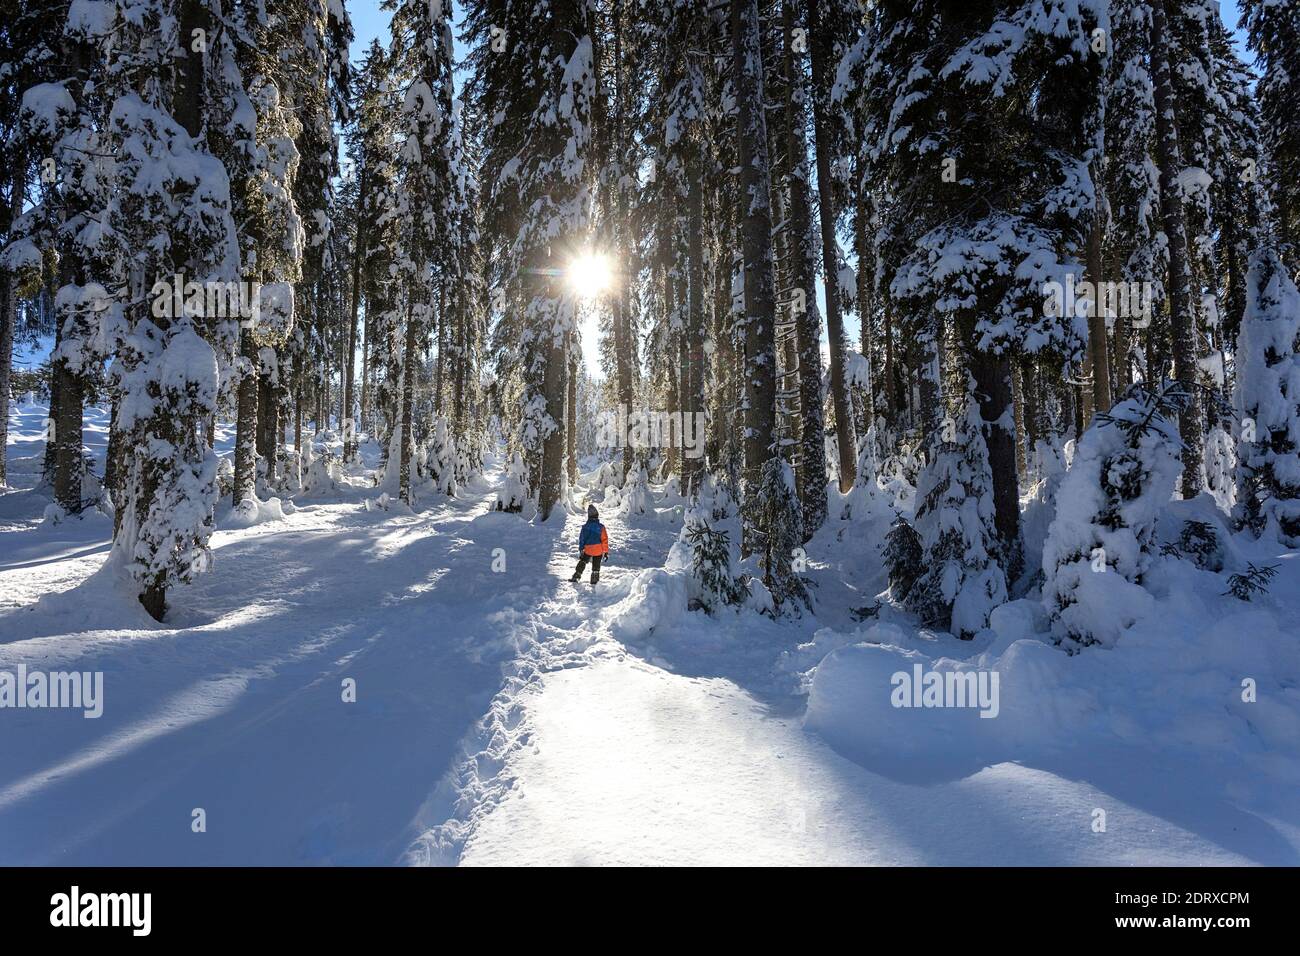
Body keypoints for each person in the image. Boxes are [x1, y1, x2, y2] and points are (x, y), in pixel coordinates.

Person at [572, 504, 608, 585]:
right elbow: (604, 540)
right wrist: (605, 552)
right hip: (598, 549)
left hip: (588, 549)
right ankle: (594, 579)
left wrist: (581, 549)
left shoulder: (585, 527)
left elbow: (582, 539)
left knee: (583, 561)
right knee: (596, 564)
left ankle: (576, 575)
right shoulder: (601, 527)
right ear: (597, 516)